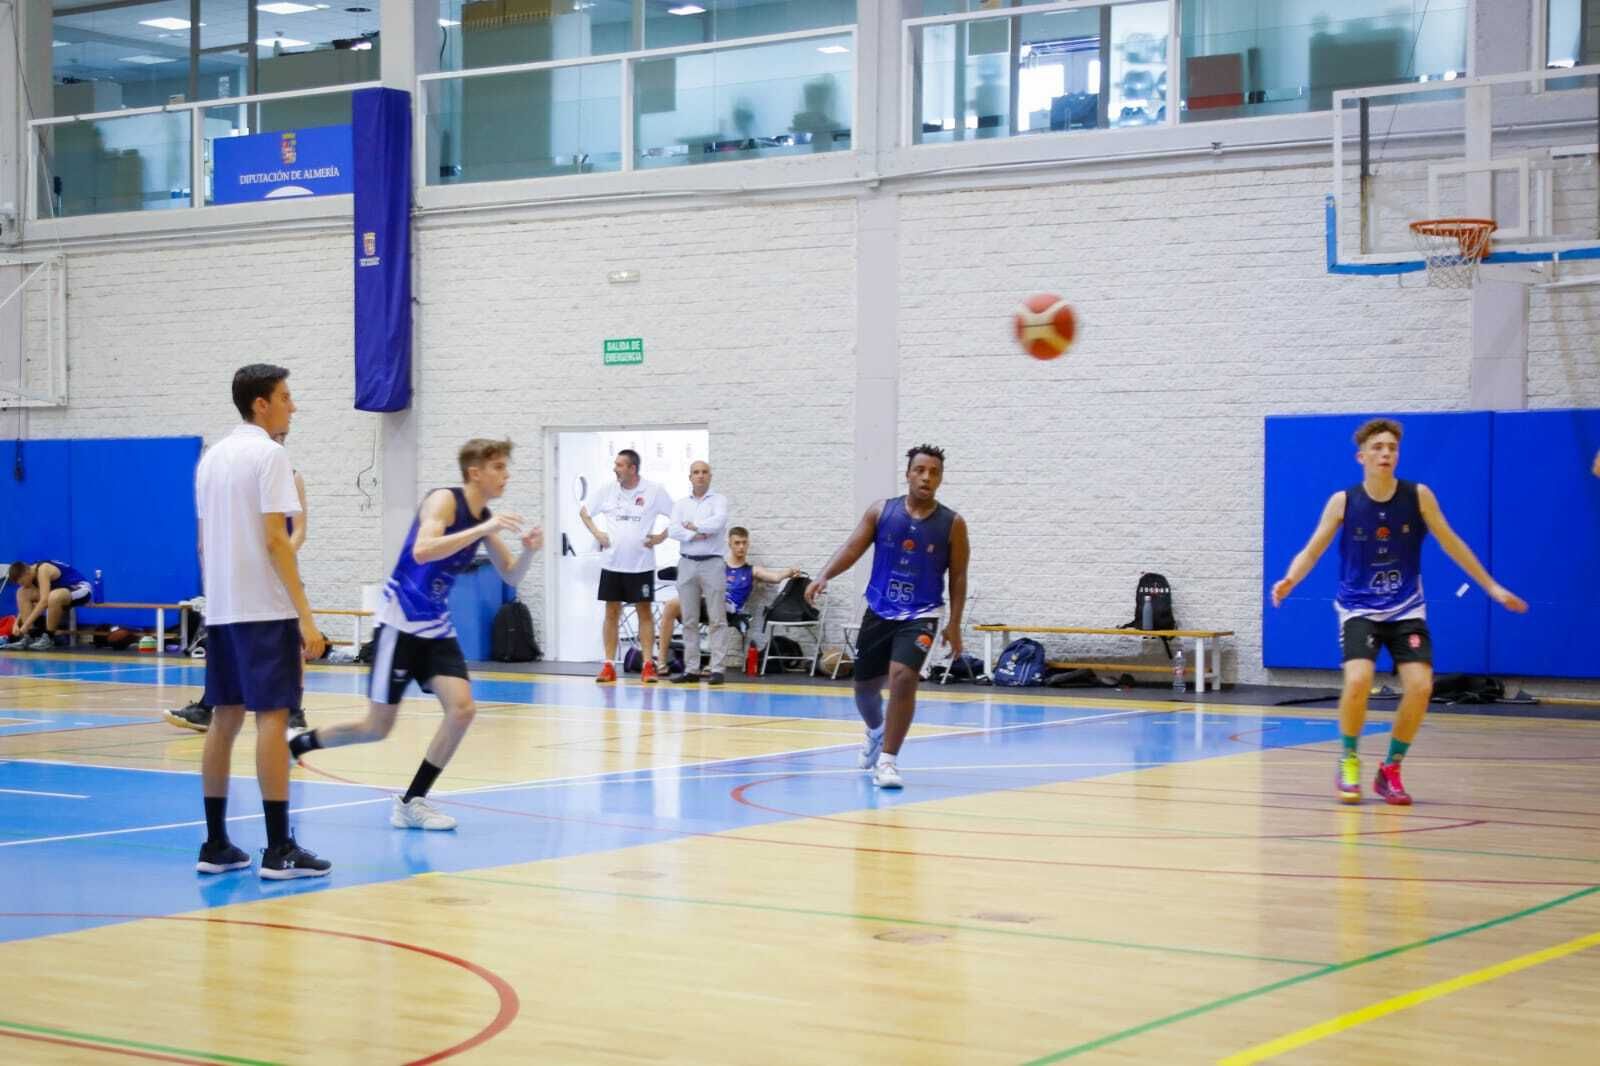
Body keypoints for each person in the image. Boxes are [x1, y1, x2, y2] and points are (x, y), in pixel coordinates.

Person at [288, 438, 542, 831]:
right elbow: (423, 551)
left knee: (462, 710)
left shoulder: (483, 517)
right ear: (476, 472)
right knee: (376, 728)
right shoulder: (444, 500)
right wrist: (486, 527)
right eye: (499, 468)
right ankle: (300, 744)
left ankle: (412, 800)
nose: (506, 476)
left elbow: (509, 573)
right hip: (399, 621)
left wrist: (527, 551)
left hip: (436, 626)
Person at [1272, 418, 1528, 806]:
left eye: (1392, 447)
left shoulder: (1418, 496)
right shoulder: (1343, 501)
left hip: (1406, 607)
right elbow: (1311, 550)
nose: (1386, 453)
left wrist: (1491, 586)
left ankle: (1390, 769)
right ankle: (1349, 760)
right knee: (1358, 681)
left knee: (1422, 687)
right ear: (1361, 456)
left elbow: (1452, 543)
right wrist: (1290, 580)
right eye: (1377, 447)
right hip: (1358, 608)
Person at [193, 363, 328, 879]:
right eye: (286, 397)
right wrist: (305, 617)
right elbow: (276, 541)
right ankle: (278, 849)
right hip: (265, 610)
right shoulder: (270, 455)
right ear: (261, 405)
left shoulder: (209, 460)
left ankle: (216, 844)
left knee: (224, 718)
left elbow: (205, 545)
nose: (293, 406)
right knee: (272, 718)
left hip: (222, 609)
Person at [806, 445, 969, 790]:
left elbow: (957, 576)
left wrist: (954, 623)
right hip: (880, 610)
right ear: (908, 473)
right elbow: (852, 548)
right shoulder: (882, 511)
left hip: (922, 613)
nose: (927, 477)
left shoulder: (952, 524)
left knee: (903, 677)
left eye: (934, 472)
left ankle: (889, 761)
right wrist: (823, 575)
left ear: (940, 478)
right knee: (865, 691)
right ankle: (876, 731)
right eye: (921, 470)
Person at [166, 428, 313, 733]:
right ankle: (210, 705)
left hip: (276, 570)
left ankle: (295, 711)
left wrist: (282, 555)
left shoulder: (290, 475)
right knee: (225, 641)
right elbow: (206, 536)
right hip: (236, 576)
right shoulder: (230, 479)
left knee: (292, 641)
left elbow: (298, 530)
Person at [658, 525, 800, 682]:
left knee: (716, 606)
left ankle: (713, 665)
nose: (741, 547)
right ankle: (662, 663)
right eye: (737, 543)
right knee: (671, 605)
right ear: (730, 544)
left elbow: (775, 577)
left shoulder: (751, 570)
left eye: (744, 543)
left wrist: (791, 571)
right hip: (707, 602)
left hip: (729, 609)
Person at [580, 449, 672, 684]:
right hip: (612, 564)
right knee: (611, 612)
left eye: (620, 465)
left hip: (641, 566)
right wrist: (597, 533)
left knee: (644, 612)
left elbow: (678, 515)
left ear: (632, 468)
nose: (615, 468)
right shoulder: (608, 490)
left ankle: (648, 665)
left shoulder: (653, 491)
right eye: (615, 464)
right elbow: (585, 512)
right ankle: (609, 665)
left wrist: (660, 538)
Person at [665, 460, 730, 684]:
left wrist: (694, 526)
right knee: (689, 618)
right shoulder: (681, 504)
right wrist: (696, 533)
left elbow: (718, 523)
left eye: (704, 472)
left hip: (712, 562)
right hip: (687, 562)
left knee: (717, 618)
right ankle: (691, 669)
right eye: (696, 472)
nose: (700, 476)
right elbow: (673, 530)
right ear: (690, 477)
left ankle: (717, 668)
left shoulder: (719, 500)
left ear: (710, 476)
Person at [3, 559, 94, 650]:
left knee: (53, 596)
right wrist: (17, 623)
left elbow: (44, 602)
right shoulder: (31, 574)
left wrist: (25, 626)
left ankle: (49, 638)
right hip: (60, 591)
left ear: (27, 572)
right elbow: (26, 606)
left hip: (79, 588)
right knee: (22, 592)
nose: (23, 585)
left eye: (22, 582)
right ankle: (29, 637)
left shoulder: (43, 570)